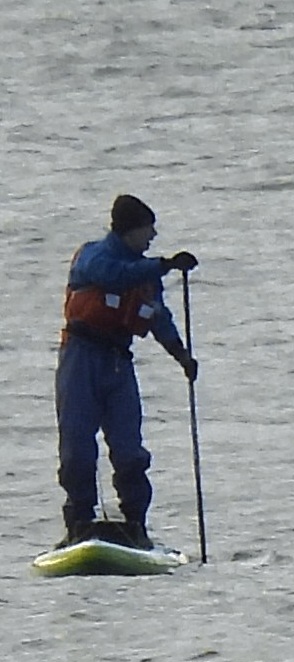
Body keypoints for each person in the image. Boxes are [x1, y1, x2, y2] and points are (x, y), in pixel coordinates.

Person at [55, 194, 197, 549]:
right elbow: (114, 276)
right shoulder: (94, 256)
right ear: (129, 230)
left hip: (118, 365)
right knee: (76, 448)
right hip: (81, 360)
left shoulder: (147, 277)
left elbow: (158, 319)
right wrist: (164, 264)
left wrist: (182, 357)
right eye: (148, 230)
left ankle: (135, 524)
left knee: (131, 451)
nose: (152, 237)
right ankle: (79, 523)